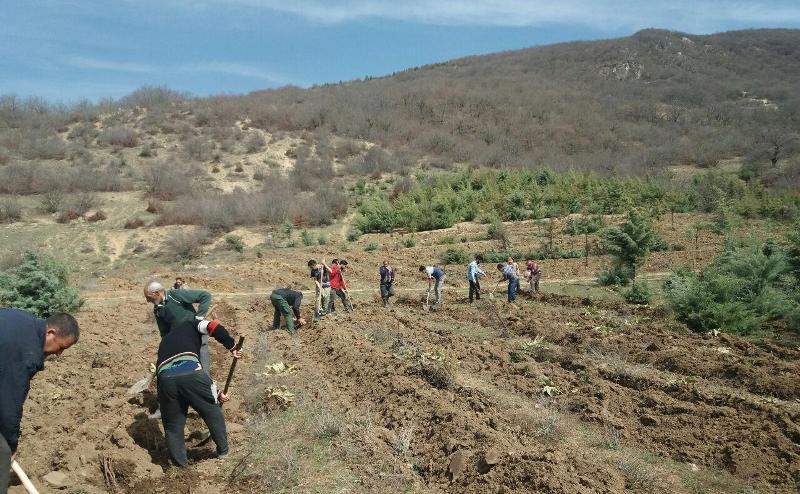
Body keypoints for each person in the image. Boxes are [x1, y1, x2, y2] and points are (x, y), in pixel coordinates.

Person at [1, 310, 79, 493]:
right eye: (61, 347)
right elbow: (9, 405)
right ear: (50, 333)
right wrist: (11, 446)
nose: (59, 354)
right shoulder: (26, 354)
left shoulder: (25, 322)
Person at [156, 318, 242, 468]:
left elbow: (178, 377)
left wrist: (217, 392)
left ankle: (180, 467)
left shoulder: (165, 340)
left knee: (173, 426)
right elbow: (213, 326)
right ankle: (223, 452)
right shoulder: (191, 323)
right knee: (212, 412)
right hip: (191, 372)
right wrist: (232, 346)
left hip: (164, 379)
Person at [144, 281, 213, 375]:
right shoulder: (157, 309)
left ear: (157, 293)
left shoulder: (175, 295)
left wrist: (199, 317)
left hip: (196, 334)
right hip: (181, 340)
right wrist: (166, 345)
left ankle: (207, 384)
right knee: (186, 367)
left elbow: (205, 296)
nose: (148, 301)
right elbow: (164, 332)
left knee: (202, 362)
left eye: (149, 297)